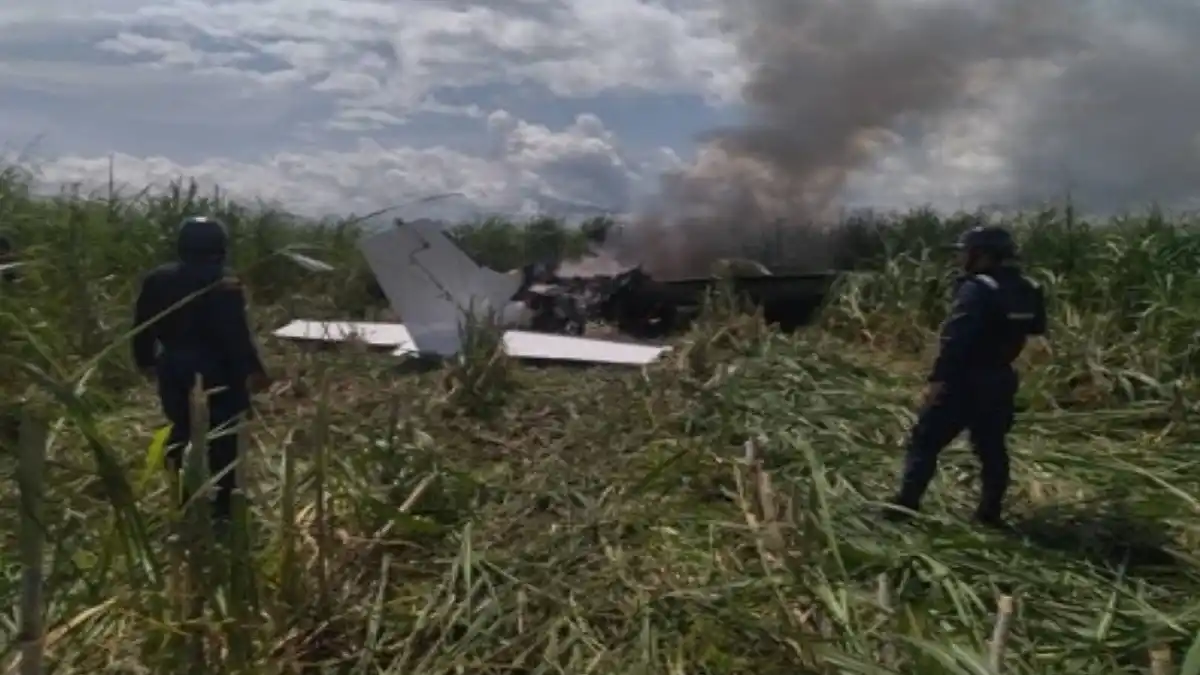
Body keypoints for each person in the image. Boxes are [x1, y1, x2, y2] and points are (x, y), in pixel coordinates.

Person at [887, 225, 1046, 527]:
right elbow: (1036, 329)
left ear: (982, 255)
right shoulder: (1029, 288)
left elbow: (955, 340)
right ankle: (989, 513)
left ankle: (904, 507)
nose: (960, 258)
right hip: (1000, 380)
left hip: (964, 381)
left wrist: (937, 381)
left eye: (964, 252)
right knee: (991, 448)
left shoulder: (978, 288)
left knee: (925, 442)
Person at [132, 216, 269, 522]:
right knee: (224, 436)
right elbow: (235, 335)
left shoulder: (157, 279)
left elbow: (142, 327)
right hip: (219, 370)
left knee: (181, 429)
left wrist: (145, 362)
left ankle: (180, 495)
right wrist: (254, 370)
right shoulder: (226, 284)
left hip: (174, 367)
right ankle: (224, 503)